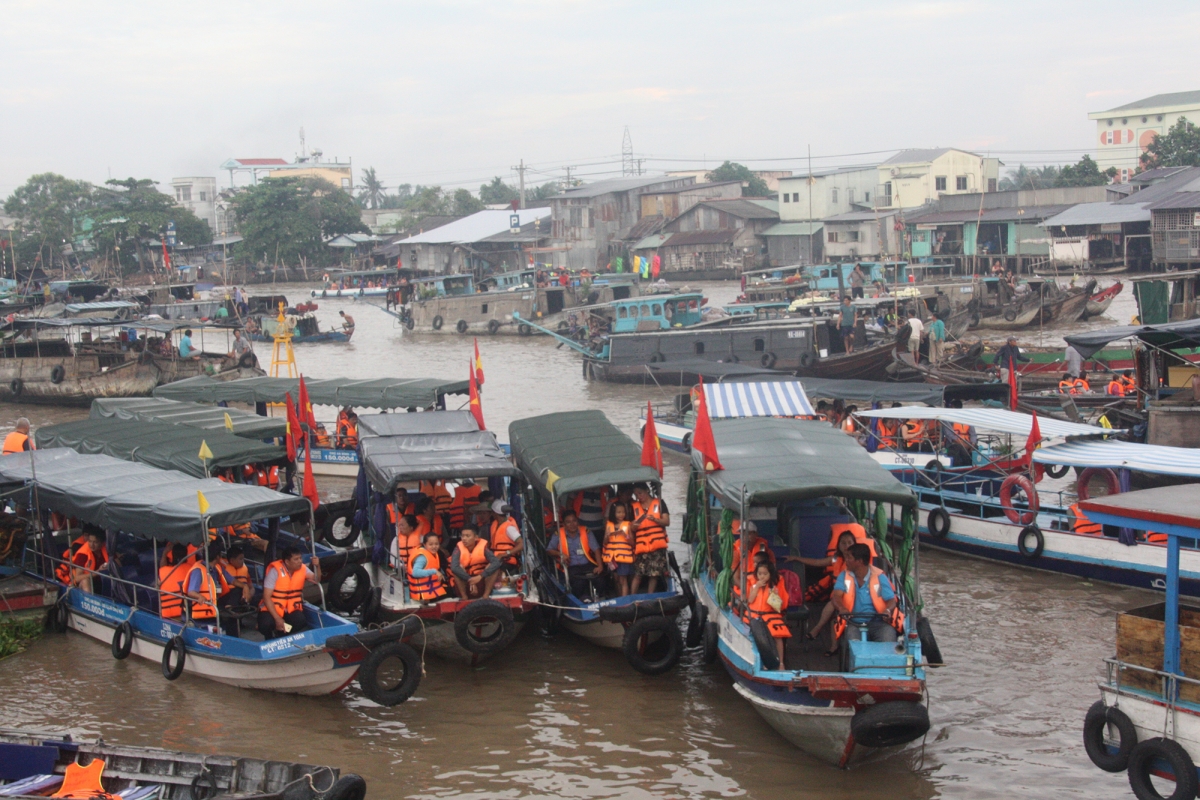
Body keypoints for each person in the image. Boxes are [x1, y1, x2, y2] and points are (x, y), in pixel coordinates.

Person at [828, 543, 900, 656]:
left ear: (859, 561)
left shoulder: (880, 576)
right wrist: (841, 608)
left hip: (879, 623)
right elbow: (836, 596)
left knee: (889, 641)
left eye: (849, 557)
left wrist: (887, 611)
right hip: (853, 622)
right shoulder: (844, 576)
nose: (845, 560)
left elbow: (892, 600)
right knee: (853, 648)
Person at [258, 547, 321, 639]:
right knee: (266, 624)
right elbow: (267, 597)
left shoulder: (302, 568)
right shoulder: (275, 571)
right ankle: (269, 636)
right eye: (296, 559)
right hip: (273, 608)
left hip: (290, 608)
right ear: (287, 562)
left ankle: (282, 634)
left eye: (300, 558)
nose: (299, 561)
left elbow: (317, 579)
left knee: (300, 621)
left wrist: (317, 566)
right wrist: (277, 619)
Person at [545, 510, 603, 598]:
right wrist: (560, 554)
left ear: (577, 521)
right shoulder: (558, 533)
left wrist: (600, 566)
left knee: (600, 580)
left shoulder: (586, 531)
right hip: (570, 566)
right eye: (568, 522)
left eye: (574, 521)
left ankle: (601, 599)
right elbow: (549, 550)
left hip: (586, 564)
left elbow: (596, 549)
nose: (572, 524)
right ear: (564, 524)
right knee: (578, 583)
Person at [746, 561, 790, 669]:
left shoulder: (774, 586)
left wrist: (774, 594)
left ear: (770, 574)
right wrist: (756, 588)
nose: (762, 576)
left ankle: (780, 662)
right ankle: (762, 662)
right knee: (756, 636)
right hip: (755, 615)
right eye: (760, 574)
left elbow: (779, 605)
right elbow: (750, 600)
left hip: (770, 614)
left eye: (765, 574)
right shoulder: (753, 584)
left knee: (778, 636)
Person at [631, 483, 669, 595]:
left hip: (657, 545)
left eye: (640, 493)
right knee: (638, 574)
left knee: (654, 574)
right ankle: (632, 597)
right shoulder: (634, 506)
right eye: (636, 494)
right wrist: (634, 526)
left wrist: (656, 520)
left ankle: (650, 596)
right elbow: (630, 527)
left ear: (647, 490)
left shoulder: (660, 503)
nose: (638, 496)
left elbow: (667, 522)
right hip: (642, 546)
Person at [450, 525, 503, 599]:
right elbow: (454, 567)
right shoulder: (458, 548)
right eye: (462, 536)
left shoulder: (483, 547)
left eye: (468, 536)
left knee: (493, 566)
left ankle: (486, 595)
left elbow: (496, 562)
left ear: (476, 537)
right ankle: (464, 597)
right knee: (459, 568)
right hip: (466, 581)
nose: (464, 539)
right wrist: (470, 579)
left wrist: (480, 576)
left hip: (481, 580)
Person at [603, 500, 636, 596]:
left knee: (623, 580)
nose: (621, 514)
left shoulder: (628, 525)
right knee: (616, 579)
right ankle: (619, 598)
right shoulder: (609, 525)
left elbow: (632, 543)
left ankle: (624, 600)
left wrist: (624, 535)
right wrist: (607, 536)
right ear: (613, 513)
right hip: (612, 557)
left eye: (623, 512)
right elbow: (605, 543)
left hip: (623, 557)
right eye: (618, 512)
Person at [408, 531, 448, 603]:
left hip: (432, 589)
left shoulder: (435, 554)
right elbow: (415, 572)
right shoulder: (422, 557)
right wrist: (434, 571)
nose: (434, 546)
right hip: (422, 594)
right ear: (425, 545)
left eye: (436, 544)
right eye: (431, 544)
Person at [485, 500, 524, 567]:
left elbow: (522, 544)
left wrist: (506, 553)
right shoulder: (494, 524)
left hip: (507, 561)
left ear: (495, 513)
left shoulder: (509, 528)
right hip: (495, 559)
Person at [159, 545, 193, 619]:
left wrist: (165, 553)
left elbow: (162, 567)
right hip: (187, 615)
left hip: (167, 616)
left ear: (172, 556)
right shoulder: (191, 569)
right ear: (186, 555)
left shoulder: (163, 572)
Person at [70, 527, 108, 593]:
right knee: (85, 581)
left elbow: (117, 564)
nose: (91, 545)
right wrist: (97, 572)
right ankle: (90, 600)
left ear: (102, 543)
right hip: (87, 583)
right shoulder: (83, 554)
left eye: (95, 542)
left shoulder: (107, 549)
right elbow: (77, 578)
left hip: (103, 582)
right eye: (90, 541)